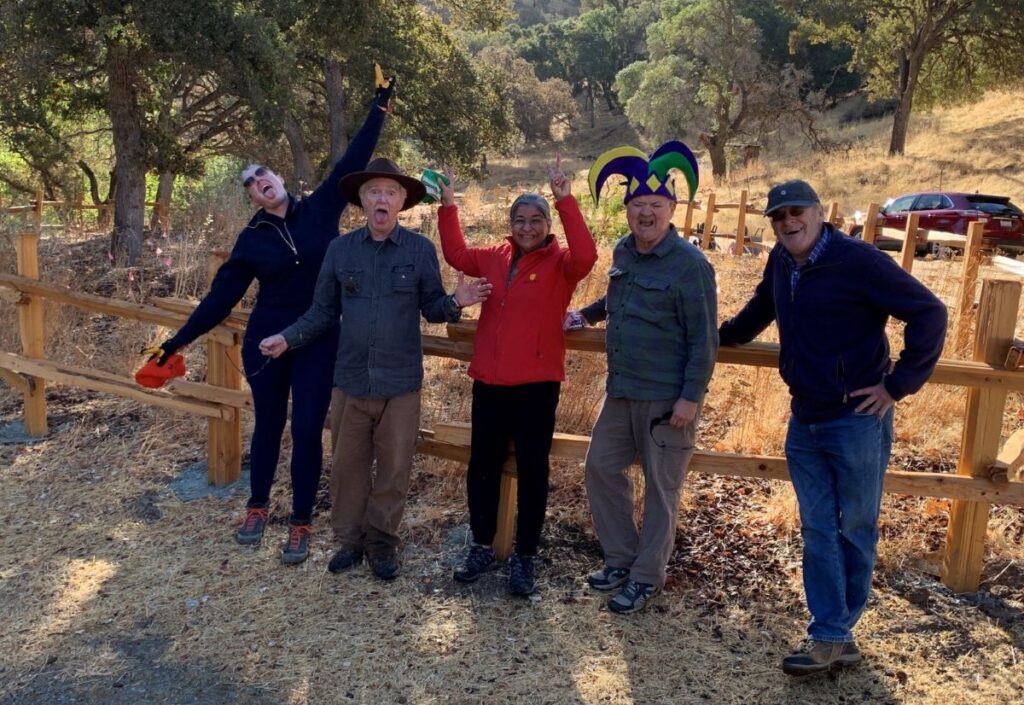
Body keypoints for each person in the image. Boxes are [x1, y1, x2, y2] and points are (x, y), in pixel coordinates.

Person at [144, 72, 395, 565]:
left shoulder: (322, 207)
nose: (262, 186)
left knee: (305, 429)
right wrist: (174, 343)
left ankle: (300, 520)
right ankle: (257, 507)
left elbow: (353, 160)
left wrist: (379, 108)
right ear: (254, 198)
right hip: (265, 339)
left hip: (320, 335)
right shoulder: (252, 239)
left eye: (266, 177)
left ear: (279, 179)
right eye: (253, 187)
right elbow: (219, 299)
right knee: (268, 425)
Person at [718, 179, 947, 675]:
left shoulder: (858, 261)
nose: (787, 223)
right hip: (806, 416)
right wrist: (723, 338)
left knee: (856, 526)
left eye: (796, 212)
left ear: (820, 213)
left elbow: (929, 312)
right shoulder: (781, 260)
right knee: (818, 528)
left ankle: (833, 632)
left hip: (858, 418)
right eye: (778, 217)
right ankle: (833, 632)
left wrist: (898, 385)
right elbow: (763, 305)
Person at [258, 158, 491, 581]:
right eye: (373, 192)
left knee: (394, 469)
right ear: (361, 201)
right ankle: (349, 542)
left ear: (402, 202)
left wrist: (458, 301)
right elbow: (321, 312)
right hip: (349, 382)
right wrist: (286, 338)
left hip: (400, 384)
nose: (382, 198)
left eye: (390, 192)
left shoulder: (420, 250)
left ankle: (382, 543)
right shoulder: (340, 250)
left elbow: (433, 308)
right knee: (347, 469)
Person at [436, 159, 598, 596]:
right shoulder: (494, 257)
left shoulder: (562, 264)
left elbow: (588, 255)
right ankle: (482, 545)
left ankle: (525, 556)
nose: (527, 227)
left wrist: (565, 199)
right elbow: (455, 254)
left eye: (536, 220)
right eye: (520, 220)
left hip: (536, 386)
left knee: (532, 470)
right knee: (481, 467)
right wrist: (448, 205)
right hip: (489, 382)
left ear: (548, 225)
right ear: (511, 225)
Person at [571, 141, 718, 614]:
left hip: (666, 398)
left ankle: (645, 575)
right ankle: (620, 558)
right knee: (600, 467)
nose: (646, 214)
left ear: (672, 209)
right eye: (638, 206)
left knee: (662, 487)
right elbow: (616, 297)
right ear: (628, 210)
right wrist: (587, 316)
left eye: (655, 205)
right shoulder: (623, 251)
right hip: (621, 390)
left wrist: (690, 398)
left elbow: (704, 340)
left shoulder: (691, 265)